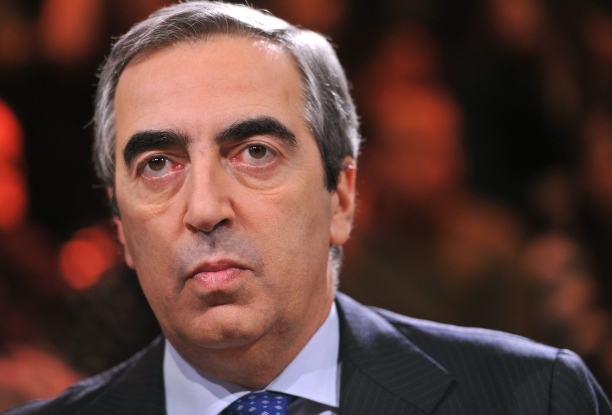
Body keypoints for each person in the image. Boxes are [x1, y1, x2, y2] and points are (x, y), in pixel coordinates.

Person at [4, 1, 610, 414]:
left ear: (341, 196)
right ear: (121, 228)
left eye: (255, 152)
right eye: (159, 164)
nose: (205, 208)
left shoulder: (532, 396)